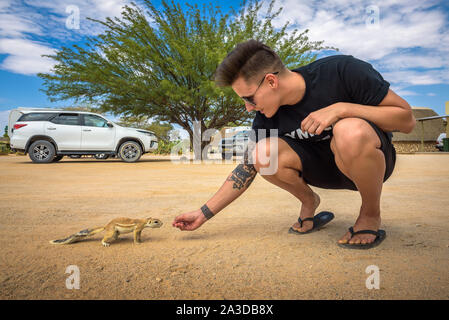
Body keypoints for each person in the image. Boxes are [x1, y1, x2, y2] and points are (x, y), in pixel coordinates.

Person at [172, 39, 415, 249]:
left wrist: (341, 109)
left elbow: (407, 120)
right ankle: (309, 201)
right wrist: (203, 213)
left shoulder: (342, 70)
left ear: (271, 81)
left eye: (249, 98)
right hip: (323, 172)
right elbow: (246, 169)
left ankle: (370, 214)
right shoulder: (266, 117)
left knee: (349, 129)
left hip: (368, 161)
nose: (248, 107)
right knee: (261, 154)